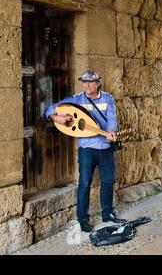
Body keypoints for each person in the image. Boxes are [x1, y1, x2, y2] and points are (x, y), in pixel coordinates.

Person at [45, 70, 126, 232]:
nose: (86, 85)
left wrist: (110, 132)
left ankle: (107, 213)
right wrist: (56, 117)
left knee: (108, 181)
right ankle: (83, 219)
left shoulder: (108, 99)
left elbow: (112, 120)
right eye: (84, 82)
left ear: (97, 83)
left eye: (90, 82)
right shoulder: (76, 99)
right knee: (84, 183)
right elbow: (50, 109)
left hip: (105, 147)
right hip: (87, 149)